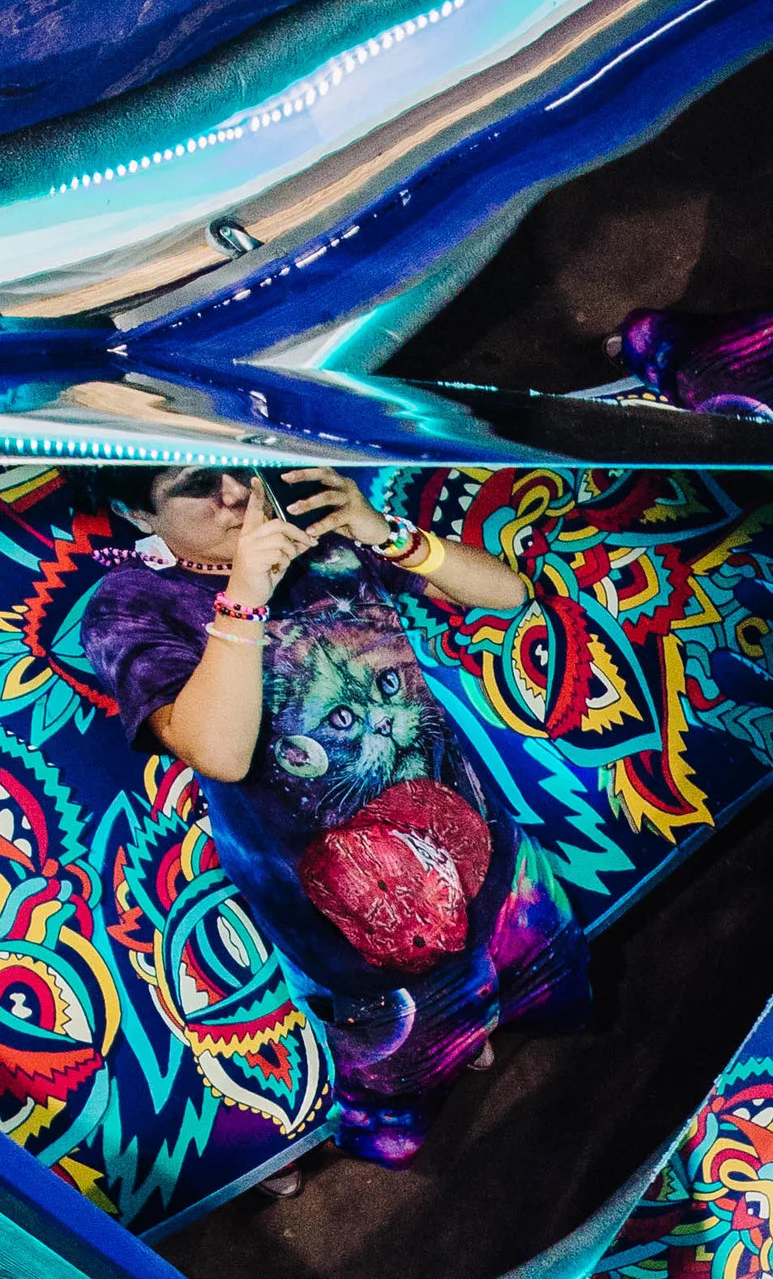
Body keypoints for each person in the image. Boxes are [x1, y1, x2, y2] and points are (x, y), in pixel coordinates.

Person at [82, 464, 587, 1165]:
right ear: (135, 513)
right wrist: (245, 594)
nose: (236, 494)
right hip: (355, 929)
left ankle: (510, 1019)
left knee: (563, 1002)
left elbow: (508, 594)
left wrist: (382, 532)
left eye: (237, 465)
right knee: (395, 1116)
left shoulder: (319, 539)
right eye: (197, 485)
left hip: (494, 861)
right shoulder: (131, 603)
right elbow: (217, 753)